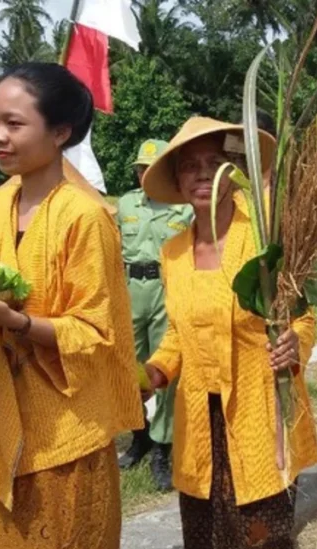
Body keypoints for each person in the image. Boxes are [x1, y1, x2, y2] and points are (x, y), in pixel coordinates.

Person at [0, 63, 143, 549]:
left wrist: (17, 324)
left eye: (13, 124)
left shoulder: (85, 216)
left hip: (60, 429)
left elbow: (94, 331)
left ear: (61, 132)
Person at [142, 117, 317, 549]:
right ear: (178, 180)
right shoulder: (173, 252)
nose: (203, 174)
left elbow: (301, 315)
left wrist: (293, 344)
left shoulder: (264, 242)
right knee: (205, 543)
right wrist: (154, 373)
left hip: (260, 412)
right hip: (201, 418)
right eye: (190, 166)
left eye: (216, 163)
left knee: (262, 541)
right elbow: (178, 334)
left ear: (235, 171)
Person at [115, 140, 193, 487]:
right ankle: (140, 434)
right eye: (139, 167)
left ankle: (163, 445)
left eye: (150, 167)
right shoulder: (126, 203)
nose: (143, 173)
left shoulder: (185, 208)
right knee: (127, 367)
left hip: (167, 290)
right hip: (131, 290)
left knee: (163, 369)